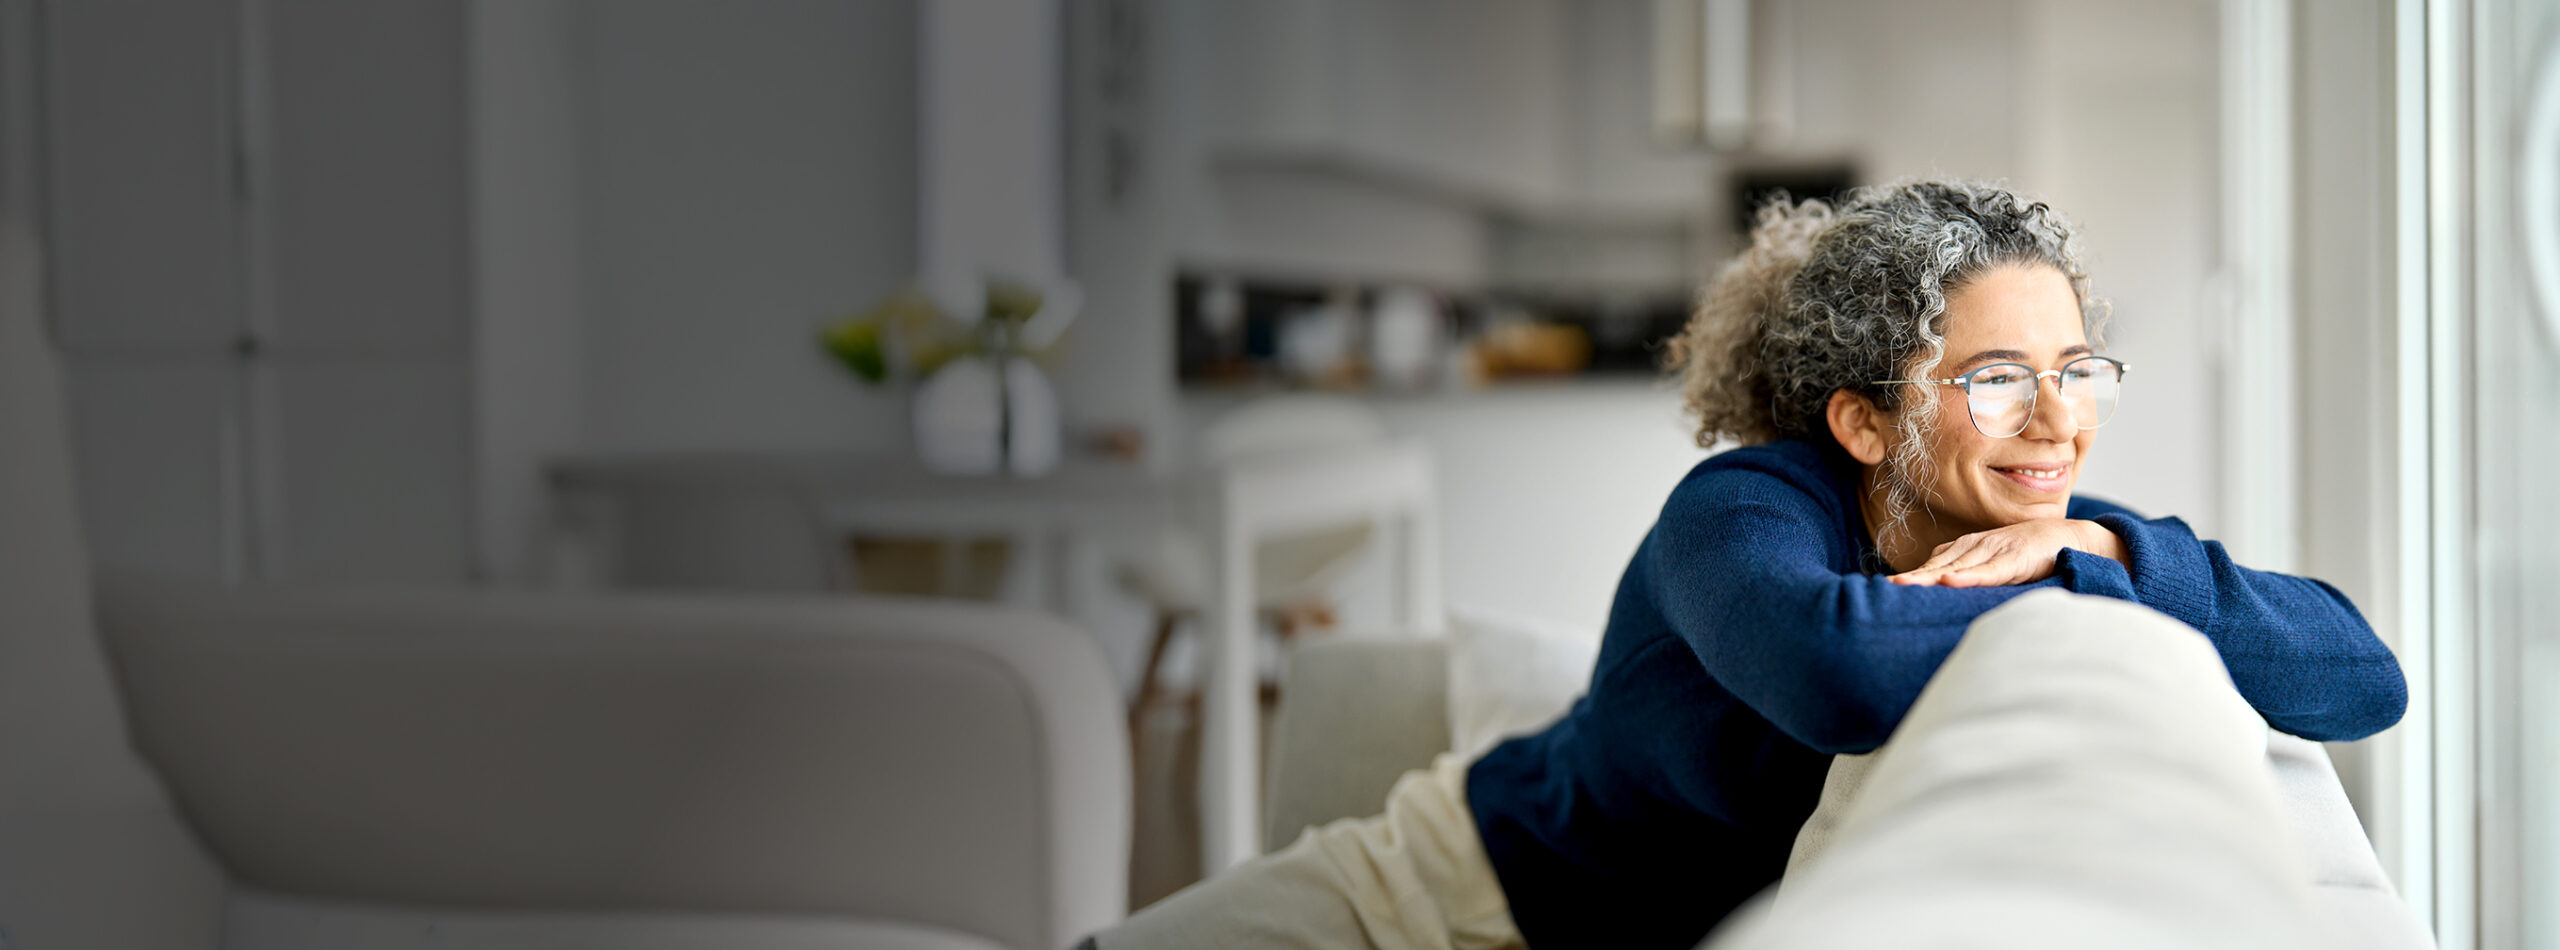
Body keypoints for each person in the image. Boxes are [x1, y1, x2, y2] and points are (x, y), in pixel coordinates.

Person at [1087, 180, 2407, 950]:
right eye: (2000, 378)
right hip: (1438, 901)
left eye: (2076, 372)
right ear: (1863, 418)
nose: (2060, 420)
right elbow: (1834, 669)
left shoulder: (2043, 525)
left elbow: (2363, 672)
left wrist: (2109, 546)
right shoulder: (1739, 512)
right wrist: (2084, 585)